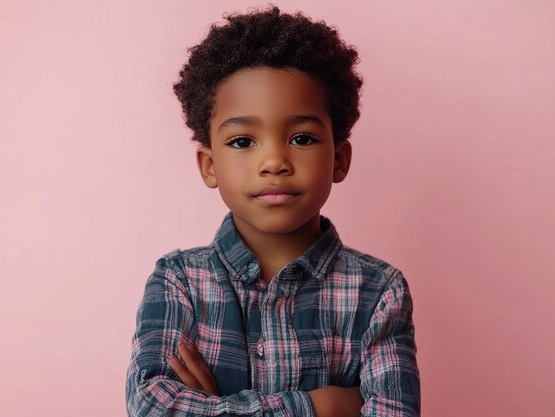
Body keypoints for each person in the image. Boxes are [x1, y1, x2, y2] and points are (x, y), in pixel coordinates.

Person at [126, 6, 420, 417]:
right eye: (244, 141)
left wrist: (217, 407)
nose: (274, 161)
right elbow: (152, 407)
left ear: (339, 159)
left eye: (301, 137)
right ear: (209, 167)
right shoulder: (179, 283)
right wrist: (323, 407)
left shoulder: (378, 293)